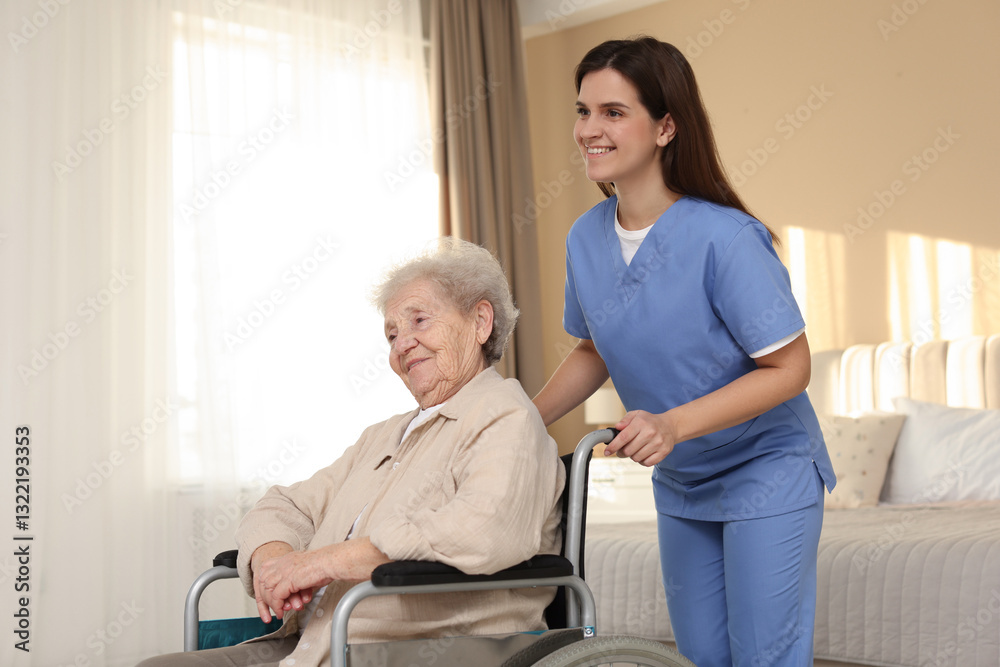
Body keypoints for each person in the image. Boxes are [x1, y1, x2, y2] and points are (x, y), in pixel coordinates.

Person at [532, 36, 836, 667]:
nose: (590, 129)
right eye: (584, 111)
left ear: (666, 126)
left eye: (614, 112)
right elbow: (595, 350)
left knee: (763, 658)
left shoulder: (725, 238)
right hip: (683, 480)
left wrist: (671, 423)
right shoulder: (585, 238)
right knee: (701, 658)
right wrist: (522, 422)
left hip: (766, 469)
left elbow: (791, 367)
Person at [139, 239, 565, 667]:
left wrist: (324, 563)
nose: (402, 345)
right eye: (393, 334)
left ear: (480, 322)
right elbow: (285, 504)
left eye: (420, 320)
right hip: (312, 644)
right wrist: (277, 561)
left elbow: (480, 531)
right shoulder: (383, 436)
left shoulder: (506, 418)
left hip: (416, 653)